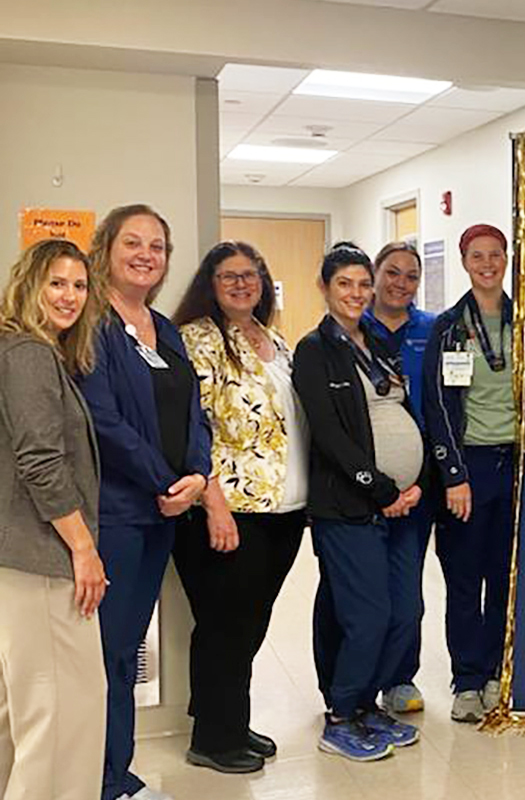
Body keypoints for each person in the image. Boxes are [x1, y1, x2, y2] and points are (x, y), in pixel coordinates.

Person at [79, 205, 212, 800]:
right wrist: (168, 482)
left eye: (157, 245)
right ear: (105, 248)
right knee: (104, 653)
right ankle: (101, 780)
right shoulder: (91, 326)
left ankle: (119, 772)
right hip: (117, 515)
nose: (145, 254)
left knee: (127, 646)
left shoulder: (168, 328)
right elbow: (103, 421)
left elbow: (193, 413)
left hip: (164, 514)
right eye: (132, 242)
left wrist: (200, 476)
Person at [171, 241, 308, 773]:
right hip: (230, 510)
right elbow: (192, 427)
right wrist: (214, 504)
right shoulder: (197, 340)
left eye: (249, 274)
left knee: (250, 622)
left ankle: (227, 717)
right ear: (210, 283)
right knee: (225, 625)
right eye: (228, 276)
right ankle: (213, 739)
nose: (240, 284)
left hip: (284, 510)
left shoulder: (274, 338)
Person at [294, 242, 422, 762]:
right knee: (366, 615)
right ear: (325, 287)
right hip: (346, 505)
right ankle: (341, 715)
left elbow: (401, 409)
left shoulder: (371, 341)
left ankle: (366, 703)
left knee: (392, 610)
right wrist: (384, 489)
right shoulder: (313, 349)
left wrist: (413, 486)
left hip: (393, 504)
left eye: (362, 284)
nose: (356, 293)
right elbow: (329, 435)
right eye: (344, 283)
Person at [0, 239, 107, 800]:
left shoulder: (27, 351)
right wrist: (83, 549)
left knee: (22, 719)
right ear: (30, 284)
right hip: (42, 557)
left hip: (18, 558)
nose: (69, 295)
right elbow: (40, 461)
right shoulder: (27, 354)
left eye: (79, 284)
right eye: (56, 283)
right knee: (63, 719)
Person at [423, 224, 516, 722]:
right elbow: (438, 404)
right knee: (464, 579)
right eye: (477, 256)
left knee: (504, 577)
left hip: (515, 463)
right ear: (464, 262)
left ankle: (499, 671)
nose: (487, 263)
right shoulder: (449, 327)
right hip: (468, 467)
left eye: (495, 255)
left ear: (506, 259)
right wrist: (453, 474)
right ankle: (467, 680)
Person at [363, 241, 437, 717]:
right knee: (357, 593)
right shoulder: (350, 326)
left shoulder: (434, 329)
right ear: (375, 274)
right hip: (357, 486)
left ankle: (398, 678)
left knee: (406, 591)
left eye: (411, 276)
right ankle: (349, 684)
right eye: (392, 272)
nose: (401, 283)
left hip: (417, 482)